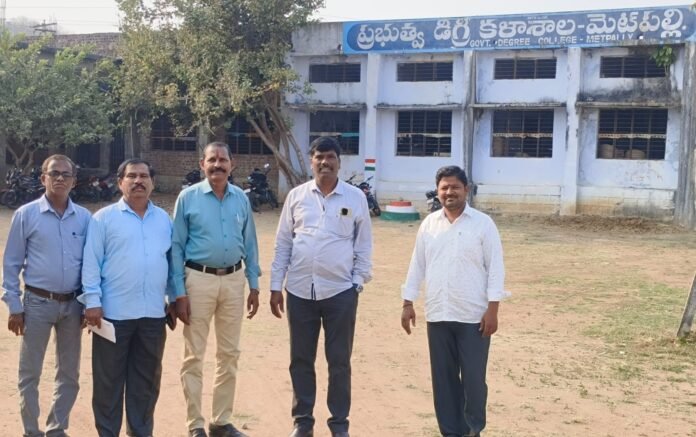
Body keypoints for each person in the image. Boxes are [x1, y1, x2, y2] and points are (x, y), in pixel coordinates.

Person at [270, 136, 373, 437]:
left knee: (339, 361)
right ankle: (303, 422)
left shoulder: (355, 198)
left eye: (330, 157)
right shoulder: (297, 196)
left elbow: (364, 245)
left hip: (340, 293)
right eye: (319, 157)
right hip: (299, 292)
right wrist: (276, 286)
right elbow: (283, 243)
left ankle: (339, 424)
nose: (325, 162)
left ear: (339, 162)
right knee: (301, 360)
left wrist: (356, 283)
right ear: (311, 160)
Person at [400, 165, 510, 437]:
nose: (449, 192)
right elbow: (417, 265)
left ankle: (473, 428)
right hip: (438, 314)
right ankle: (450, 432)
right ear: (437, 192)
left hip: (474, 317)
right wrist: (407, 302)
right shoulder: (429, 225)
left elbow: (495, 268)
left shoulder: (483, 224)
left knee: (473, 380)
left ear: (466, 190)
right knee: (444, 381)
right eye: (444, 188)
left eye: (455, 187)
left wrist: (493, 309)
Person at [170, 142, 260, 437]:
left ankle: (221, 421)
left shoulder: (240, 198)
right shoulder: (188, 198)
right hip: (198, 280)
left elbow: (250, 243)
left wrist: (254, 284)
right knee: (193, 355)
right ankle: (195, 424)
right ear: (202, 164)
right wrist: (178, 292)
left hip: (234, 280)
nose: (217, 165)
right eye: (212, 160)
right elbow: (176, 247)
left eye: (223, 160)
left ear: (232, 164)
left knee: (229, 354)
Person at [80, 158, 175, 437]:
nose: (138, 181)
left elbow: (171, 264)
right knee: (108, 383)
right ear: (120, 182)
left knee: (146, 383)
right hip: (112, 315)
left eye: (144, 176)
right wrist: (92, 303)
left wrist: (173, 297)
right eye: (131, 176)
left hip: (153, 316)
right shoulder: (103, 218)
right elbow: (91, 263)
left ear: (152, 183)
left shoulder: (164, 220)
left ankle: (140, 432)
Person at [2, 155, 90, 437]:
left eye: (66, 174)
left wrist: (89, 304)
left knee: (69, 373)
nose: (60, 178)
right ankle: (31, 430)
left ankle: (56, 428)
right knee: (30, 372)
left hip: (73, 306)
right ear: (43, 178)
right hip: (36, 304)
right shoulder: (26, 215)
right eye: (54, 173)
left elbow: (91, 265)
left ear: (74, 181)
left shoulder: (85, 218)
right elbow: (11, 263)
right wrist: (14, 306)